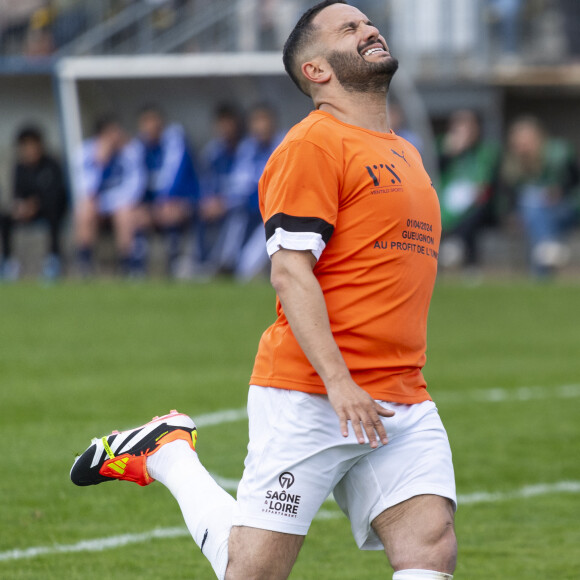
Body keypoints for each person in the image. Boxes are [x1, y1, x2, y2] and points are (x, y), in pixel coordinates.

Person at [71, 3, 457, 580]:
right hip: (312, 393)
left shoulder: (405, 151)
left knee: (430, 550)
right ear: (316, 71)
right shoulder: (314, 145)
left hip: (401, 395)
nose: (369, 29)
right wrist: (337, 381)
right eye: (348, 29)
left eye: (367, 22)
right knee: (252, 573)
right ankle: (168, 453)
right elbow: (290, 273)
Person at [499, 116, 579, 277]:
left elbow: (574, 184)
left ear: (538, 138)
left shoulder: (559, 154)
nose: (523, 148)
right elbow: (506, 198)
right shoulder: (510, 165)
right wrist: (510, 215)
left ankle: (541, 268)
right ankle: (547, 249)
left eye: (526, 142)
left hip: (566, 209)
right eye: (518, 144)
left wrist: (559, 192)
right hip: (534, 215)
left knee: (533, 206)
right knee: (531, 204)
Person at [213, 103, 285, 280]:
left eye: (263, 120)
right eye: (255, 121)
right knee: (235, 217)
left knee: (248, 263)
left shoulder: (285, 142)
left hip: (278, 211)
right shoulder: (248, 147)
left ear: (272, 122)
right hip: (251, 209)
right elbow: (240, 184)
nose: (259, 126)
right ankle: (223, 264)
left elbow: (280, 184)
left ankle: (241, 272)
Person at [74, 115, 146, 277]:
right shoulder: (85, 152)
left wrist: (116, 202)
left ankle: (128, 265)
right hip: (97, 205)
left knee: (125, 212)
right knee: (85, 208)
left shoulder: (130, 151)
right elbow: (85, 189)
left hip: (121, 203)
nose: (116, 136)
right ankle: (84, 263)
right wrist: (100, 163)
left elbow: (135, 185)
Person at [133, 105, 199, 277]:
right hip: (155, 205)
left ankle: (174, 262)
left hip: (184, 201)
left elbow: (175, 179)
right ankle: (136, 267)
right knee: (136, 215)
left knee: (170, 210)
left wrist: (162, 202)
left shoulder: (175, 143)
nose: (150, 127)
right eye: (146, 122)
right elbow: (136, 182)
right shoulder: (140, 149)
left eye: (153, 121)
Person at [0, 125, 68, 281]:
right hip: (28, 211)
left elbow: (57, 194)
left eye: (32, 145)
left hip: (50, 209)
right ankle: (8, 262)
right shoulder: (20, 167)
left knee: (53, 214)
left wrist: (35, 205)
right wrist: (20, 207)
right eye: (25, 146)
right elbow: (18, 193)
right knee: (5, 217)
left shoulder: (51, 164)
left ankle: (53, 260)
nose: (29, 150)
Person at [437, 109, 501, 270]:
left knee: (475, 209)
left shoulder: (486, 152)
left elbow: (489, 183)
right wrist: (449, 154)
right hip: (447, 201)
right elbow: (434, 175)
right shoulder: (442, 149)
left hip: (479, 204)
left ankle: (459, 248)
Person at [196, 104, 244, 272]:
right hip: (216, 205)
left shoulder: (246, 149)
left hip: (239, 207)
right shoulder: (212, 152)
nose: (224, 128)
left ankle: (226, 265)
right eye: (221, 124)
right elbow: (205, 182)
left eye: (228, 123)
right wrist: (208, 201)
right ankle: (202, 263)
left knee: (238, 216)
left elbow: (247, 186)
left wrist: (225, 203)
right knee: (199, 211)